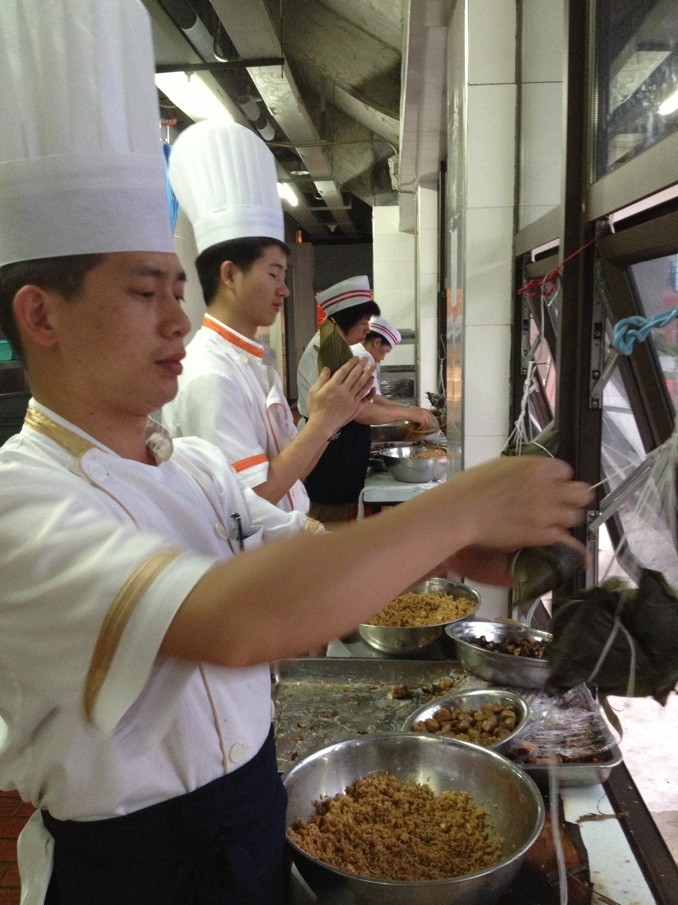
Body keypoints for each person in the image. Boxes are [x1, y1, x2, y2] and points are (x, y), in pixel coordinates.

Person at [0, 2, 594, 903]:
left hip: (250, 820)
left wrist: (466, 548)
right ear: (41, 315)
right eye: (145, 293)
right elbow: (234, 617)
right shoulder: (23, 503)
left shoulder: (192, 468)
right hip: (130, 868)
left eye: (176, 290)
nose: (178, 322)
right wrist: (461, 505)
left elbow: (302, 554)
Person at [162, 119, 374, 514]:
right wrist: (322, 422)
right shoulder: (212, 375)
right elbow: (251, 502)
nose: (285, 290)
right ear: (230, 275)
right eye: (274, 273)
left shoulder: (253, 362)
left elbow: (289, 473)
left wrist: (329, 416)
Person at [296, 278, 435, 523]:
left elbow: (366, 400)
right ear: (346, 320)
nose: (366, 331)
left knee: (340, 515)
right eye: (363, 323)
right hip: (331, 449)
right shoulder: (327, 350)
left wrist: (408, 410)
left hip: (338, 445)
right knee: (329, 518)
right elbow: (358, 412)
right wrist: (408, 413)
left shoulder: (337, 346)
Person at [352, 316, 435, 424]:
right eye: (386, 351)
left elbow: (373, 397)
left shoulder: (359, 352)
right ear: (377, 342)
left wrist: (409, 409)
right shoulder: (363, 358)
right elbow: (362, 412)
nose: (382, 358)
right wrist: (408, 413)